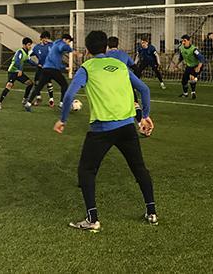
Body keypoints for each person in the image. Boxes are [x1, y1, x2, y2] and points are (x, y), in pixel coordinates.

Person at [54, 30, 157, 232]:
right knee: (139, 169)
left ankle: (92, 219)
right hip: (127, 127)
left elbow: (68, 96)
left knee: (86, 171)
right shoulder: (120, 65)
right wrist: (144, 116)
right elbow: (144, 89)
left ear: (87, 50)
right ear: (106, 48)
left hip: (101, 130)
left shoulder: (87, 67)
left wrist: (62, 120)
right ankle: (152, 212)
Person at [25, 34, 73, 110]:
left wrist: (64, 67)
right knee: (64, 85)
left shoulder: (54, 43)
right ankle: (61, 104)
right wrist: (71, 50)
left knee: (39, 86)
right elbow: (62, 47)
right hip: (53, 69)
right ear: (65, 39)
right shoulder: (61, 44)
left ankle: (28, 103)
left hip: (46, 68)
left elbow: (55, 58)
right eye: (68, 41)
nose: (68, 43)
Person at [107, 36, 142, 121]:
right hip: (125, 82)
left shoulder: (104, 56)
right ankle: (141, 123)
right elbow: (136, 69)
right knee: (135, 103)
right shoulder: (124, 54)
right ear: (118, 44)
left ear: (107, 45)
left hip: (110, 85)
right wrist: (134, 83)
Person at [0, 37, 35, 110]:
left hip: (19, 72)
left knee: (30, 83)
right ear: (24, 45)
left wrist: (38, 65)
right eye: (29, 45)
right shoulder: (20, 52)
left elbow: (29, 61)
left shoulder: (27, 53)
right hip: (12, 72)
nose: (30, 46)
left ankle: (25, 100)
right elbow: (17, 61)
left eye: (30, 45)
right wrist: (20, 70)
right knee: (9, 86)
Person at [173, 34, 205, 99]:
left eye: (184, 41)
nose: (183, 42)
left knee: (191, 77)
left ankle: (193, 92)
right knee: (184, 80)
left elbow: (201, 58)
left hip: (197, 65)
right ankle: (185, 94)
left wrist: (198, 67)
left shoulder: (194, 49)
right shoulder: (181, 48)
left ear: (189, 41)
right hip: (189, 66)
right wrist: (176, 64)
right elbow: (181, 58)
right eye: (182, 41)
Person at [29, 31, 55, 107]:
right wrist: (36, 63)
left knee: (49, 82)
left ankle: (51, 100)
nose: (46, 40)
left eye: (47, 38)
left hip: (48, 67)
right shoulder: (36, 47)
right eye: (45, 38)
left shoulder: (51, 45)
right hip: (40, 68)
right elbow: (29, 56)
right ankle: (38, 98)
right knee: (36, 82)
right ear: (41, 39)